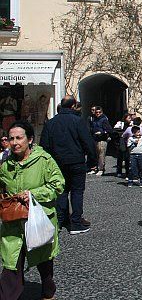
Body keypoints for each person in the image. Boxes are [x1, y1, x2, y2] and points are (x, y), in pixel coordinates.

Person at [0, 121, 65, 300]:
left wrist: (34, 194)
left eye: (19, 138)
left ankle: (48, 289)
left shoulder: (44, 160)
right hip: (13, 224)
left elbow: (58, 185)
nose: (14, 142)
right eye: (11, 138)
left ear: (29, 139)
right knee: (11, 267)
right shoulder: (6, 164)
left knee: (43, 260)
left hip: (38, 221)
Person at [40, 95, 96, 235]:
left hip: (57, 163)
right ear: (72, 106)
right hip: (76, 161)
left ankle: (60, 220)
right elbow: (88, 142)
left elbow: (44, 146)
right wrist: (91, 162)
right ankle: (76, 223)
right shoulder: (78, 121)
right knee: (77, 192)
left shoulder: (51, 123)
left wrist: (47, 165)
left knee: (61, 191)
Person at [89, 106, 111, 176]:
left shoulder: (104, 119)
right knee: (96, 155)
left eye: (99, 112)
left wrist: (102, 132)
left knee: (101, 155)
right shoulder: (94, 119)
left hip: (102, 139)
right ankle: (96, 168)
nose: (98, 113)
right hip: (95, 138)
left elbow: (109, 130)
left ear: (102, 112)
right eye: (96, 112)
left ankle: (101, 169)